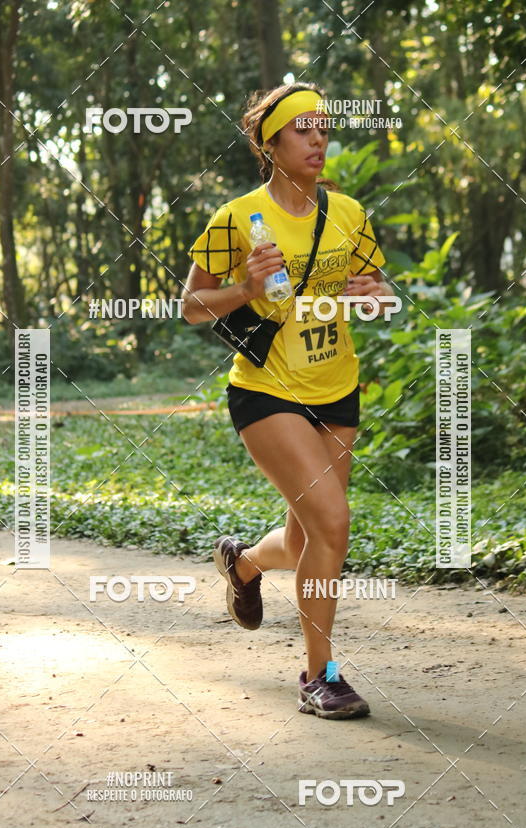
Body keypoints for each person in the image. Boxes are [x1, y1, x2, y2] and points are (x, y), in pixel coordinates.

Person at [181, 82, 395, 720]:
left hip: (338, 388)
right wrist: (245, 287)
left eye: (323, 128)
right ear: (269, 142)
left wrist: (372, 295)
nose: (318, 139)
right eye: (302, 129)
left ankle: (243, 565)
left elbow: (379, 292)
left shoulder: (350, 212)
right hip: (266, 390)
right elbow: (191, 307)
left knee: (309, 538)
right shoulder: (236, 218)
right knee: (333, 522)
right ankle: (319, 676)